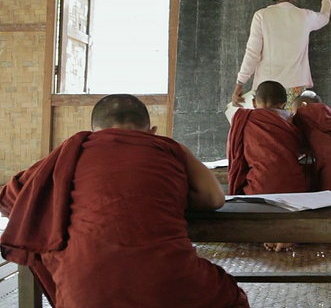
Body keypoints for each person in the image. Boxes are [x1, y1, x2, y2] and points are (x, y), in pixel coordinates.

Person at [0, 94, 249, 307]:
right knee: (231, 297)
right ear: (152, 132)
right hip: (169, 284)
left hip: (84, 292)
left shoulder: (72, 151)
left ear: (94, 130)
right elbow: (214, 198)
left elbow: (13, 197)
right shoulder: (169, 147)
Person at [232, 0, 331, 110]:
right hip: (295, 88)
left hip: (267, 90)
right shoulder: (305, 16)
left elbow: (252, 53)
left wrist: (240, 83)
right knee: (291, 130)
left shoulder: (261, 16)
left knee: (268, 129)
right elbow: (324, 17)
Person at [227, 80, 308, 196]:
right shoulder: (292, 120)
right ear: (284, 105)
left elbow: (236, 157)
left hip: (260, 188)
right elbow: (303, 148)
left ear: (254, 103)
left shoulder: (244, 119)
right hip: (294, 188)